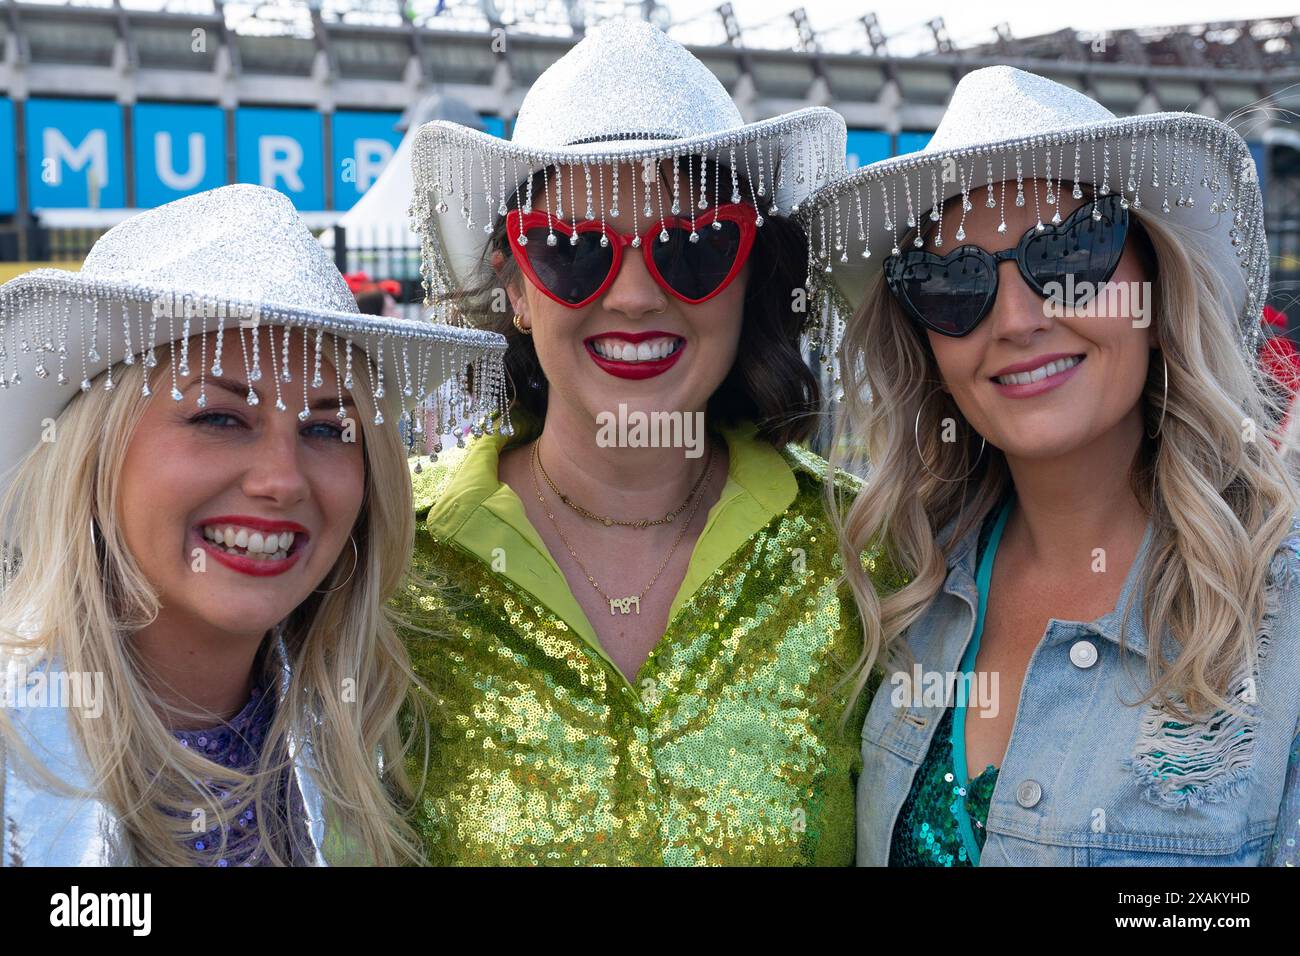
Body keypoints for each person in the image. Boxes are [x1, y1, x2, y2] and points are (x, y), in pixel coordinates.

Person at [392, 18, 904, 865]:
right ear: (518, 290)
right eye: (570, 250)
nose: (632, 295)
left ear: (747, 276)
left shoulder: (869, 554)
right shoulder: (389, 558)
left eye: (694, 246)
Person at [801, 66, 1300, 865]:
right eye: (951, 281)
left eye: (1070, 252)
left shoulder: (1285, 617)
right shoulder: (903, 587)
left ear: (1156, 287)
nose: (1018, 320)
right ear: (925, 343)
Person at [0, 183, 507, 865]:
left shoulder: (380, 738)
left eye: (328, 429)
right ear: (96, 457)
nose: (282, 480)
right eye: (219, 418)